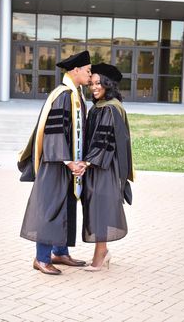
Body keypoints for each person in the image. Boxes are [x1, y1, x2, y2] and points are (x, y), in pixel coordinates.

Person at [18, 50, 91, 275]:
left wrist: (81, 161)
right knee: (51, 207)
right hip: (55, 162)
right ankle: (41, 258)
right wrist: (69, 161)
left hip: (69, 164)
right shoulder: (62, 95)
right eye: (88, 71)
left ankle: (60, 252)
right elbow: (54, 133)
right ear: (76, 70)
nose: (90, 75)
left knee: (68, 205)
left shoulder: (76, 93)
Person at [81, 63, 134, 271]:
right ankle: (102, 252)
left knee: (100, 208)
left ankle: (100, 255)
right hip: (98, 165)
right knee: (96, 207)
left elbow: (105, 141)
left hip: (104, 166)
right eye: (92, 83)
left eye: (98, 84)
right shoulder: (100, 105)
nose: (94, 87)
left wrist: (88, 161)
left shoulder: (110, 108)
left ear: (108, 85)